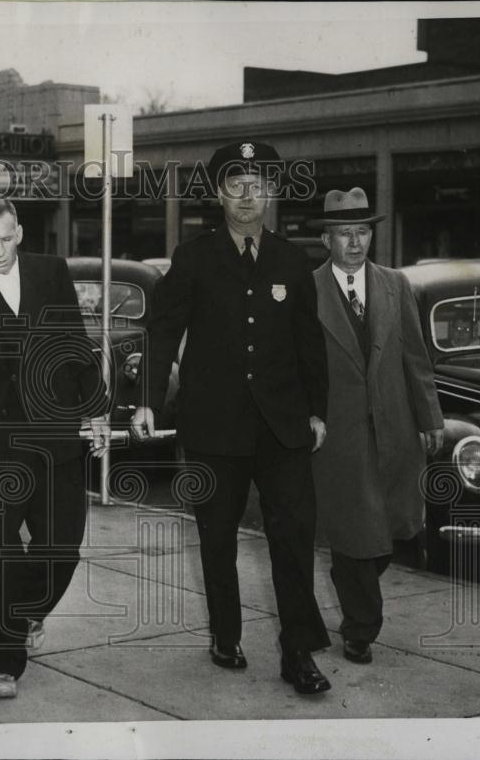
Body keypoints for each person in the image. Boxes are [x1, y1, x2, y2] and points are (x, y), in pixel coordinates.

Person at [131, 140, 333, 695]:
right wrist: (148, 398)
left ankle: (298, 653)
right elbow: (163, 330)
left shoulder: (293, 261)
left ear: (271, 193)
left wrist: (317, 411)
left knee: (292, 537)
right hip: (214, 428)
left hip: (282, 427)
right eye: (236, 185)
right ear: (220, 193)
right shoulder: (194, 256)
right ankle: (226, 634)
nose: (248, 196)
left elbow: (308, 344)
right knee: (216, 537)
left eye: (259, 185)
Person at [0, 196, 110, 700]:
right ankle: (0, 660)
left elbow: (75, 343)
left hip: (56, 434)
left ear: (20, 232)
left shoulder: (52, 272)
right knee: (1, 550)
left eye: (6, 238)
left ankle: (27, 611)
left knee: (63, 545)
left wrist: (95, 408)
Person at [307, 187, 443, 665]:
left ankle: (359, 609)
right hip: (340, 434)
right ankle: (360, 628)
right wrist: (307, 415)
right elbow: (299, 365)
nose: (355, 242)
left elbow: (415, 357)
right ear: (327, 240)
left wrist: (430, 418)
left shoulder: (395, 285)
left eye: (362, 231)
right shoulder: (310, 289)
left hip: (395, 427)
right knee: (356, 533)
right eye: (344, 233)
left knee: (390, 532)